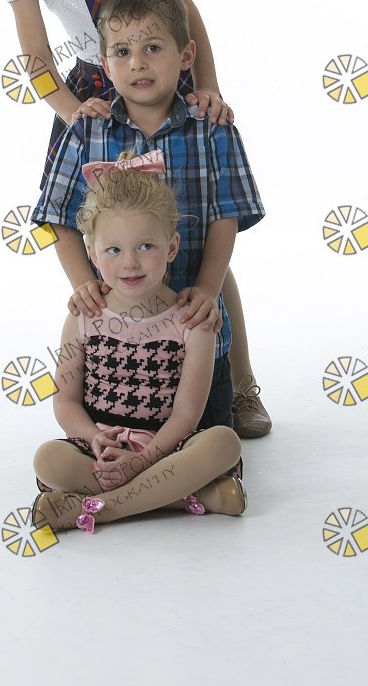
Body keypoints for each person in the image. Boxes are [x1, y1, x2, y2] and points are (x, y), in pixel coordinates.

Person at [0, 0, 271, 436]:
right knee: (115, 238)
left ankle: (238, 385)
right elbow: (35, 55)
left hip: (161, 71)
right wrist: (77, 113)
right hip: (97, 92)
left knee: (196, 237)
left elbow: (185, 10)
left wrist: (206, 86)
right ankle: (125, 393)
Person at [31, 0, 265, 441]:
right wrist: (82, 283)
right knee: (108, 445)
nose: (137, 63)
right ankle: (135, 474)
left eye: (153, 48)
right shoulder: (87, 131)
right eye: (122, 52)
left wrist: (206, 288)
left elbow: (227, 216)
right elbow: (57, 216)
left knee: (211, 444)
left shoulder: (212, 129)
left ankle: (183, 462)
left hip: (195, 336)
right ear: (105, 64)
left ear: (186, 55)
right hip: (116, 349)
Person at [33, 151, 245, 534]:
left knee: (223, 442)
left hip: (167, 450)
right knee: (48, 458)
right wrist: (94, 438)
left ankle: (99, 509)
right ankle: (193, 496)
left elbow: (186, 416)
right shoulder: (83, 317)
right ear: (93, 253)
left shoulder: (191, 322)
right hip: (101, 449)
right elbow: (65, 402)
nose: (130, 262)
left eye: (146, 246)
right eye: (114, 250)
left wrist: (142, 461)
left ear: (172, 247)